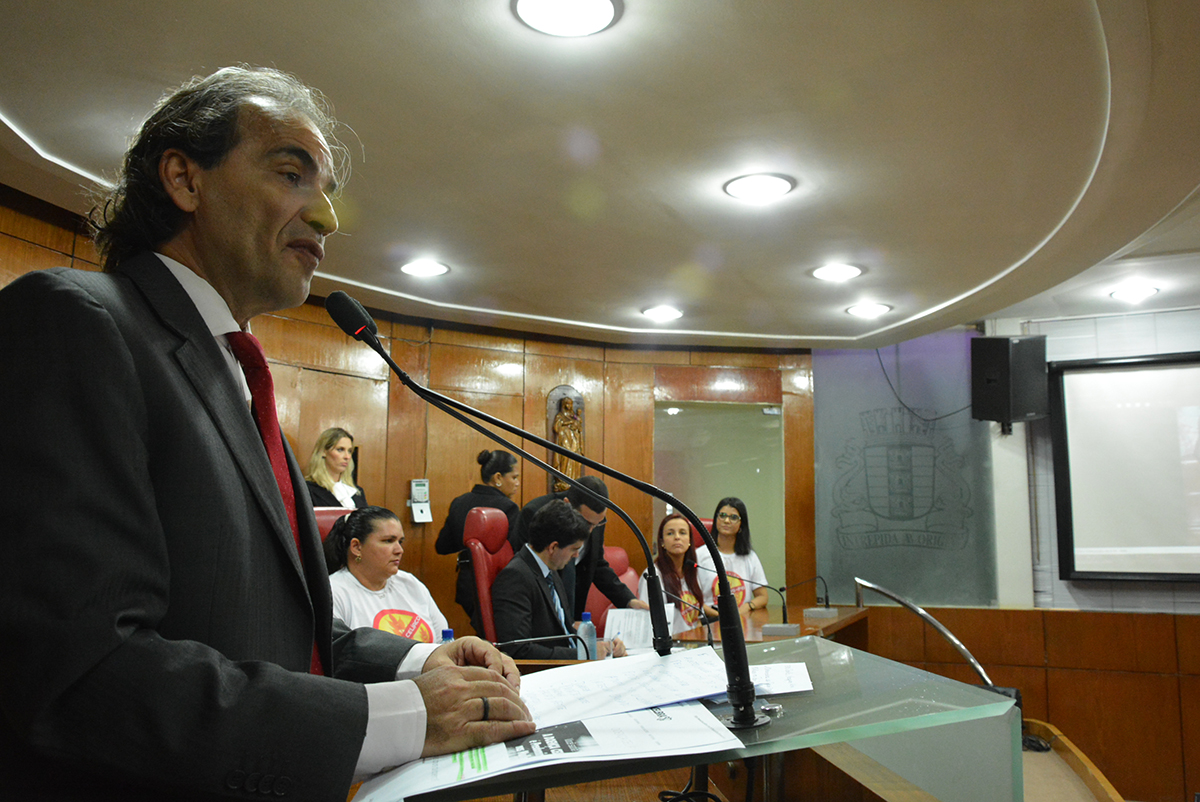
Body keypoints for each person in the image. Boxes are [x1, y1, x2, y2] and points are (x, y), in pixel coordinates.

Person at [0, 66, 532, 802]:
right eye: (291, 174)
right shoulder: (77, 320)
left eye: (327, 190)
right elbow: (82, 669)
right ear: (185, 179)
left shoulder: (233, 374)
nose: (328, 218)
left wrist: (415, 665)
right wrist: (401, 718)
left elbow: (277, 627)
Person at [492, 501, 626, 660]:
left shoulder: (549, 569)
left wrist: (603, 644)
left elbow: (564, 630)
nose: (576, 555)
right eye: (574, 549)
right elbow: (518, 650)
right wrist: (584, 654)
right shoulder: (515, 578)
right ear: (553, 547)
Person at [513, 475, 650, 624]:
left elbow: (597, 565)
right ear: (568, 504)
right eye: (586, 523)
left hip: (575, 608)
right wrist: (565, 623)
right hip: (544, 614)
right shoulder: (536, 513)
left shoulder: (595, 519)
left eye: (597, 523)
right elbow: (531, 574)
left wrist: (628, 600)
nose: (590, 531)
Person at [326, 506, 449, 643]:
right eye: (388, 541)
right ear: (356, 547)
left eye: (400, 542)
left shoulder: (410, 583)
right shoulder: (334, 593)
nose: (399, 550)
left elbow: (444, 640)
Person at [435, 449, 521, 633]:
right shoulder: (507, 507)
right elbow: (515, 553)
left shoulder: (459, 502)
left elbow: (442, 546)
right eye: (514, 477)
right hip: (496, 585)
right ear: (498, 477)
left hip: (467, 585)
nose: (517, 483)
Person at [696, 497, 770, 618]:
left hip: (741, 620)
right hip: (710, 620)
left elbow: (762, 596)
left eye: (733, 517)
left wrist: (747, 607)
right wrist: (717, 616)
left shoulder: (749, 556)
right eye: (722, 515)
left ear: (741, 524)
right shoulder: (699, 555)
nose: (726, 521)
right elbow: (692, 599)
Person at [639, 513, 706, 633]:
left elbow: (698, 620)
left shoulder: (692, 571)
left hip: (694, 641)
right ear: (662, 542)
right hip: (671, 642)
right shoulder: (652, 575)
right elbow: (648, 622)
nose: (677, 537)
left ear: (690, 541)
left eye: (682, 533)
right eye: (670, 533)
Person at [305, 426, 368, 508]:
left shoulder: (357, 492)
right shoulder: (308, 489)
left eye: (349, 451)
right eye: (340, 450)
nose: (347, 456)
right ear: (323, 451)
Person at [551, 396, 583, 490]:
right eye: (567, 404)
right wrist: (568, 423)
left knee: (574, 459)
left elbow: (579, 428)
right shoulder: (560, 416)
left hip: (573, 440)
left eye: (571, 404)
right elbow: (556, 427)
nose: (569, 406)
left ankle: (573, 480)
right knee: (565, 457)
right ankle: (562, 480)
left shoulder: (574, 416)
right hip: (564, 439)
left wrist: (576, 424)